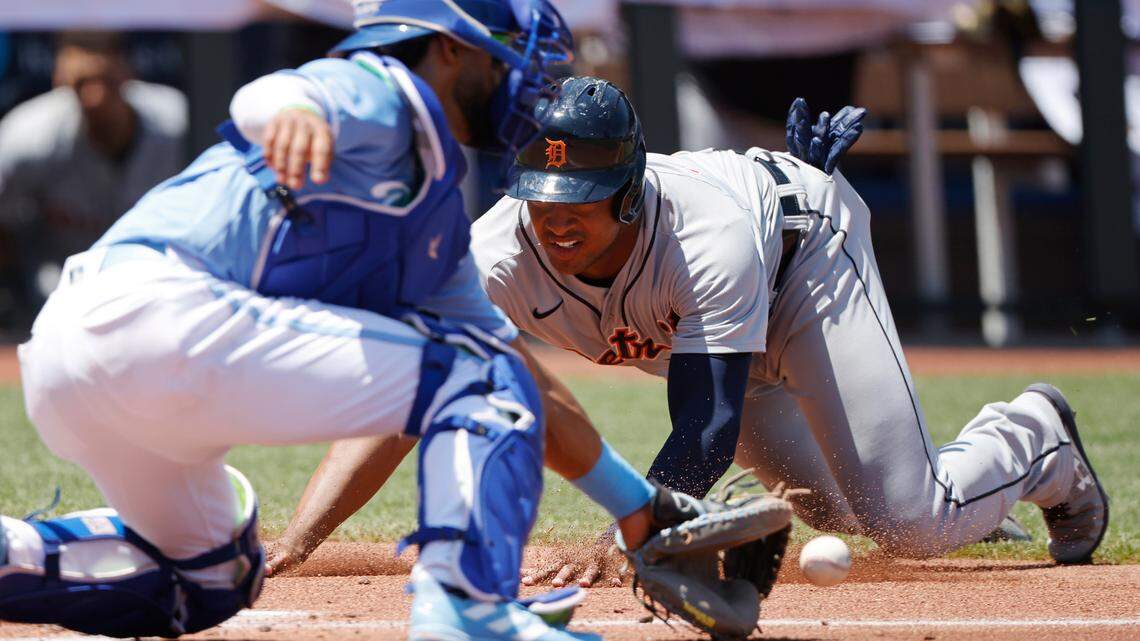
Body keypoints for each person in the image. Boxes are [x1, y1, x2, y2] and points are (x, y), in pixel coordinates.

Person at [0, 5, 743, 639]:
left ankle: (13, 552)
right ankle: (467, 608)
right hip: (153, 314)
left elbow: (521, 385)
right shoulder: (384, 93)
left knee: (210, 577)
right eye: (511, 55)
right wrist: (291, 113)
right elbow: (281, 95)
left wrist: (641, 511)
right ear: (451, 48)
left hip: (79, 353)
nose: (530, 79)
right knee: (476, 374)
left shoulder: (437, 211)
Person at [266, 76, 1108, 588]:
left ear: (629, 191)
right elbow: (407, 400)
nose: (554, 218)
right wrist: (298, 543)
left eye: (580, 198)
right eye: (541, 193)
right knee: (839, 517)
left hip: (800, 264)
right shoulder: (495, 258)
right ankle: (966, 490)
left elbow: (703, 424)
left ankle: (1034, 436)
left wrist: (624, 531)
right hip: (714, 332)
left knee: (909, 523)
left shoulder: (701, 236)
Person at [0, 31, 186, 313]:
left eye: (106, 81)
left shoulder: (179, 124)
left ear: (127, 73)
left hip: (161, 291)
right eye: (82, 83)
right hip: (59, 298)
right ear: (60, 81)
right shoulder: (27, 137)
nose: (95, 97)